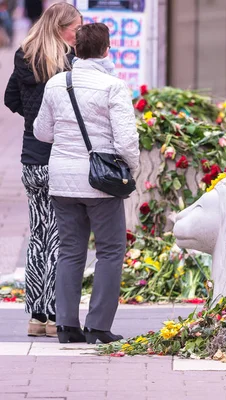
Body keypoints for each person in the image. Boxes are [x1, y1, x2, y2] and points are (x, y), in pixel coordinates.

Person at [33, 23, 140, 344]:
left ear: (75, 49)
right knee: (109, 251)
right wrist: (130, 170)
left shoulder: (56, 84)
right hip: (100, 182)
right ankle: (98, 326)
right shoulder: (113, 86)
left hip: (62, 181)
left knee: (69, 251)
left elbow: (42, 132)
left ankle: (66, 326)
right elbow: (125, 141)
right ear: (107, 49)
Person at [4, 2, 82, 338]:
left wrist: (32, 117)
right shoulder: (68, 62)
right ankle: (52, 313)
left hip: (31, 158)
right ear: (61, 27)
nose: (79, 33)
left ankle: (36, 314)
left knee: (39, 235)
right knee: (61, 238)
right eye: (75, 28)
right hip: (59, 158)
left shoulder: (25, 55)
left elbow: (10, 98)